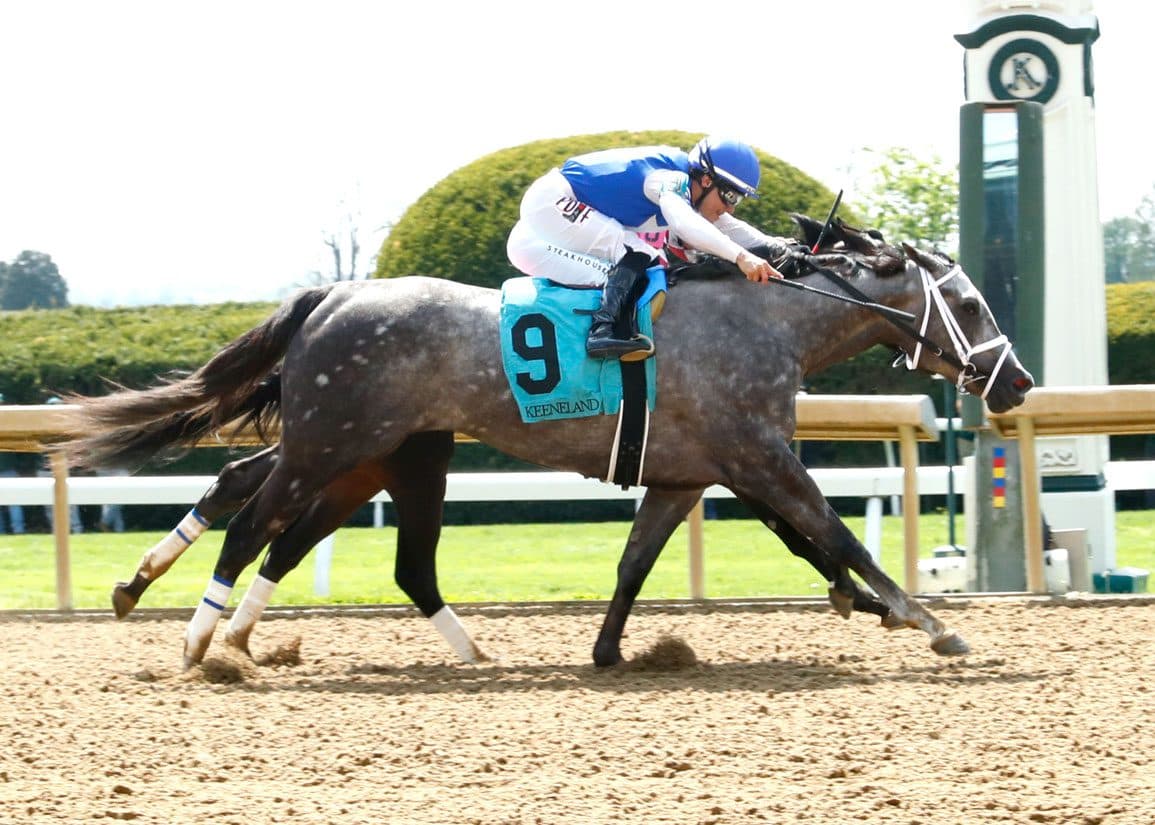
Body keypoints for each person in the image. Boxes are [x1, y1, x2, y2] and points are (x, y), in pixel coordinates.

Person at [507, 136, 796, 359]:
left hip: (531, 236)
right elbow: (685, 226)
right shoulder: (671, 178)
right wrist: (741, 257)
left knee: (635, 266)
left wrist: (775, 245)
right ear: (706, 180)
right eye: (730, 196)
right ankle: (602, 332)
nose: (730, 208)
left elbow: (726, 227)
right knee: (641, 255)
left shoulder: (690, 188)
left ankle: (594, 333)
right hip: (549, 206)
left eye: (739, 200)